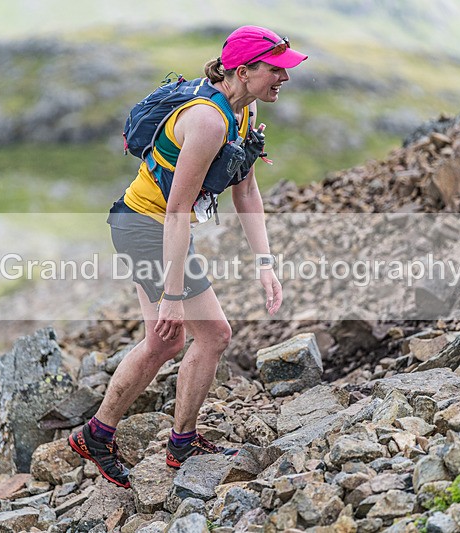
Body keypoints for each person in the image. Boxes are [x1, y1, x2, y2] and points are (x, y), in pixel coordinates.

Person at [69, 25, 307, 488]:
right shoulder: (208, 121)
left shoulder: (244, 110)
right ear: (244, 70)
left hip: (153, 227)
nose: (285, 78)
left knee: (164, 343)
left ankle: (98, 435)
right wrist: (173, 296)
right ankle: (179, 445)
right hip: (146, 227)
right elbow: (177, 211)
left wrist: (266, 264)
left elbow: (248, 191)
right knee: (214, 334)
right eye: (276, 69)